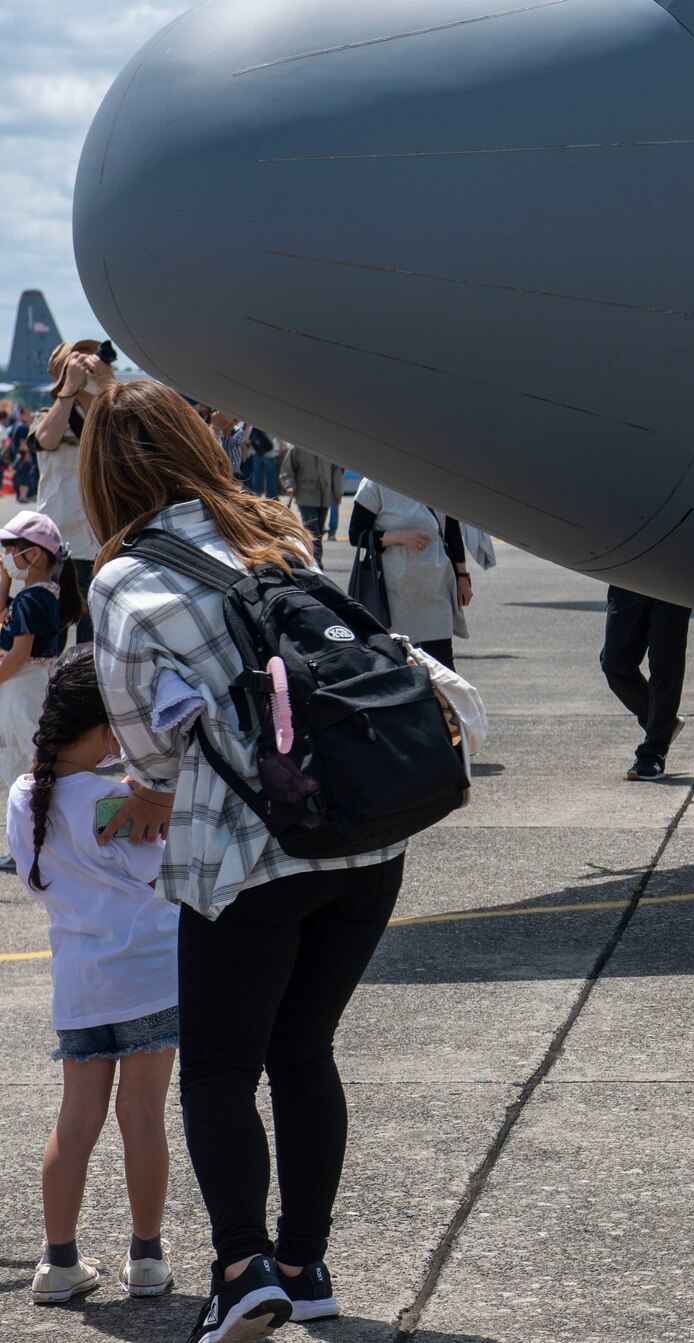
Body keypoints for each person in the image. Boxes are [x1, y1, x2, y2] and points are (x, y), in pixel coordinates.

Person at [82, 379, 408, 1340]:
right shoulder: (278, 531)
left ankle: (240, 1266)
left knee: (218, 1070)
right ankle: (305, 1265)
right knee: (305, 1050)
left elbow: (147, 752)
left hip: (248, 854)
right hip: (362, 835)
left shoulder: (123, 578)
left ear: (106, 473)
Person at [15, 648, 178, 1306]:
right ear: (95, 728)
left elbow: (34, 877)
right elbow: (154, 865)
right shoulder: (122, 801)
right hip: (148, 972)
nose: (122, 739)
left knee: (76, 1117)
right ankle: (145, 1255)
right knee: (143, 1115)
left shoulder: (25, 794)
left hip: (78, 978)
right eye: (115, 726)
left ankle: (59, 1260)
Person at [0, 511, 84, 874]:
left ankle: (36, 846)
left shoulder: (34, 600)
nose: (5, 556)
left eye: (9, 549)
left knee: (26, 769)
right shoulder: (33, 595)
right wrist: (4, 582)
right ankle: (28, 845)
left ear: (33, 554)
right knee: (17, 765)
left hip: (23, 691)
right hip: (20, 691)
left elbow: (19, 655)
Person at [32, 340, 116, 643]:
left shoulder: (110, 415)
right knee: (49, 635)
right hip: (59, 542)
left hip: (101, 541)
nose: (89, 363)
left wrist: (108, 385)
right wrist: (68, 388)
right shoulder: (49, 415)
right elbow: (46, 438)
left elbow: (129, 438)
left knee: (93, 642)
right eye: (78, 359)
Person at [348, 478, 473, 670]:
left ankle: (443, 702)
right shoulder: (376, 482)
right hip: (395, 596)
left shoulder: (436, 477)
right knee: (400, 670)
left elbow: (452, 531)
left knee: (443, 668)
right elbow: (356, 534)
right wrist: (398, 537)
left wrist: (463, 577)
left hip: (435, 589)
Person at [601, 588, 691, 781]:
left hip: (676, 575)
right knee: (614, 664)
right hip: (629, 576)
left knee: (665, 666)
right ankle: (662, 723)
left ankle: (653, 752)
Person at [279, 444, 344, 564]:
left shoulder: (328, 447)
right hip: (305, 496)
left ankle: (313, 561)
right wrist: (290, 485)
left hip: (324, 496)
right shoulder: (298, 447)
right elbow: (287, 469)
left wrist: (338, 493)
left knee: (318, 532)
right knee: (312, 531)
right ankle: (316, 563)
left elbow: (336, 471)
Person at [243, 426, 280, 499]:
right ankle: (271, 495)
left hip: (256, 453)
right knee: (271, 475)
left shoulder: (254, 425)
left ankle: (257, 493)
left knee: (257, 475)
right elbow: (278, 438)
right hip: (270, 453)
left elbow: (248, 439)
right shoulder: (272, 425)